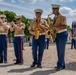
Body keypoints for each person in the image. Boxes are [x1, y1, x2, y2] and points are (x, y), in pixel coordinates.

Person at [50, 4, 68, 71]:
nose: (53, 11)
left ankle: (60, 65)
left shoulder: (62, 16)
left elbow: (64, 26)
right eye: (52, 9)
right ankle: (61, 65)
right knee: (59, 50)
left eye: (54, 9)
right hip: (58, 34)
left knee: (61, 51)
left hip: (63, 34)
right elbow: (55, 27)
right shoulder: (55, 17)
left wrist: (53, 27)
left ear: (57, 9)